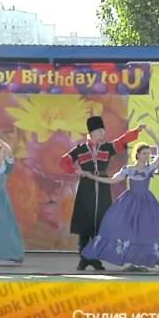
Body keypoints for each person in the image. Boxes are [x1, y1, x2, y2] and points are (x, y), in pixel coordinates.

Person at [81, 126, 159, 272]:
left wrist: (153, 135)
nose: (147, 156)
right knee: (128, 230)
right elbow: (113, 180)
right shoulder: (128, 170)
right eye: (144, 153)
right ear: (137, 155)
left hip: (146, 203)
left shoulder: (149, 169)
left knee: (143, 231)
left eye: (148, 154)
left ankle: (139, 263)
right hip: (129, 203)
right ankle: (131, 262)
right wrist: (93, 177)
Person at [59, 116, 144, 271]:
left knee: (101, 222)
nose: (102, 133)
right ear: (91, 133)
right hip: (86, 185)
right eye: (99, 131)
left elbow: (122, 141)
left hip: (103, 184)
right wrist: (76, 170)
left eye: (103, 131)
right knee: (85, 222)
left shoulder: (107, 147)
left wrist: (136, 131)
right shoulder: (80, 149)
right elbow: (63, 162)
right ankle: (84, 258)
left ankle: (95, 258)